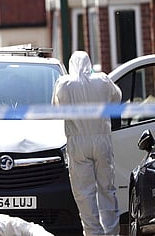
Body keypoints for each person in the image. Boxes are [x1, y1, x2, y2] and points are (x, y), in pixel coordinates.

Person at [52, 51, 122, 236]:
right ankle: (111, 231)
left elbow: (56, 108)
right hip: (101, 138)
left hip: (77, 140)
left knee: (84, 192)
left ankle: (93, 232)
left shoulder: (64, 84)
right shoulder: (103, 80)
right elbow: (117, 98)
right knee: (107, 188)